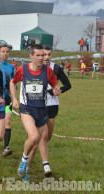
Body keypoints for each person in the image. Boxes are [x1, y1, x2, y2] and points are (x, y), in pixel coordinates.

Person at [10, 44, 61, 182]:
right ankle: (22, 162)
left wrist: (57, 90)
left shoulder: (48, 71)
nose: (41, 58)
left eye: (43, 55)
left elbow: (55, 86)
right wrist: (14, 99)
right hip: (27, 108)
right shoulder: (23, 69)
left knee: (35, 143)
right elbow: (12, 82)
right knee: (33, 137)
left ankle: (24, 169)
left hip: (42, 110)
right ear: (31, 56)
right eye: (38, 55)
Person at [26, 45, 71, 180]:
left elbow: (68, 85)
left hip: (53, 106)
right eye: (43, 54)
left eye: (48, 54)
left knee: (46, 138)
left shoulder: (56, 68)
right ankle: (44, 166)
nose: (46, 57)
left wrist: (57, 91)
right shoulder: (34, 68)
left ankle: (26, 163)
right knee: (42, 136)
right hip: (39, 106)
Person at [0, 44, 14, 156]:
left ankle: (6, 147)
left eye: (7, 51)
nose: (5, 53)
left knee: (7, 121)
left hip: (8, 99)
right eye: (3, 51)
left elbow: (13, 82)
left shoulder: (11, 67)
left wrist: (13, 93)